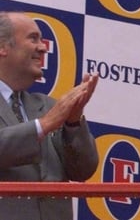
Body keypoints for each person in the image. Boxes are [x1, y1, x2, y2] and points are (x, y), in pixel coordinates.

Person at [0, 11, 99, 220]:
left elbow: (84, 170)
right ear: (2, 47)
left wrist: (73, 123)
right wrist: (43, 125)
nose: (43, 47)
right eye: (33, 38)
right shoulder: (50, 115)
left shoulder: (47, 106)